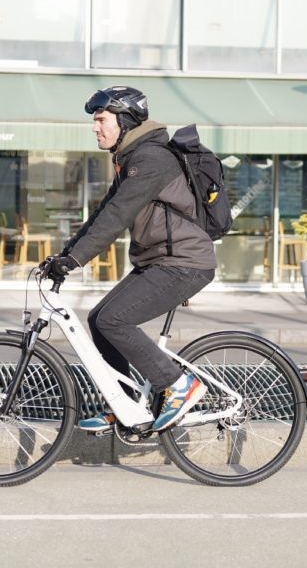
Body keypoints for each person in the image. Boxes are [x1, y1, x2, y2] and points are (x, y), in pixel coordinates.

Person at [44, 86, 217, 434]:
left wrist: (76, 260)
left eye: (101, 120)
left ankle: (180, 386)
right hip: (160, 261)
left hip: (184, 261)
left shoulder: (151, 159)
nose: (95, 127)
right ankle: (123, 406)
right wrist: (64, 255)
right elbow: (103, 213)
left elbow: (118, 217)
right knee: (99, 319)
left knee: (114, 321)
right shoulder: (130, 158)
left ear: (124, 121)